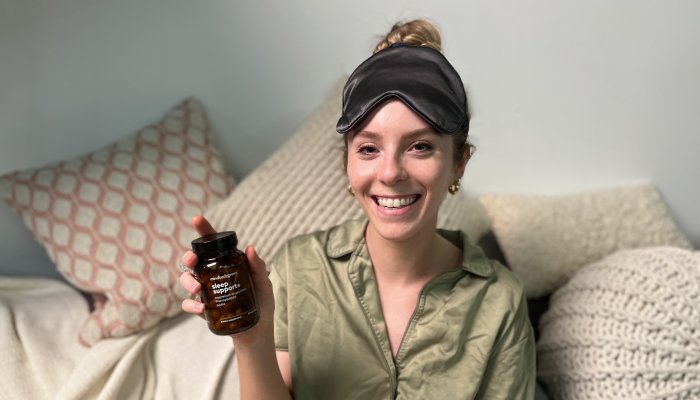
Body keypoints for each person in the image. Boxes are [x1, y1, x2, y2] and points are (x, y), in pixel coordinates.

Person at [179, 18, 536, 399]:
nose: (390, 173)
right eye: (369, 149)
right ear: (346, 163)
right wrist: (252, 339)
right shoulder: (299, 267)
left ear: (458, 163)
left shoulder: (500, 301)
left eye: (419, 146)